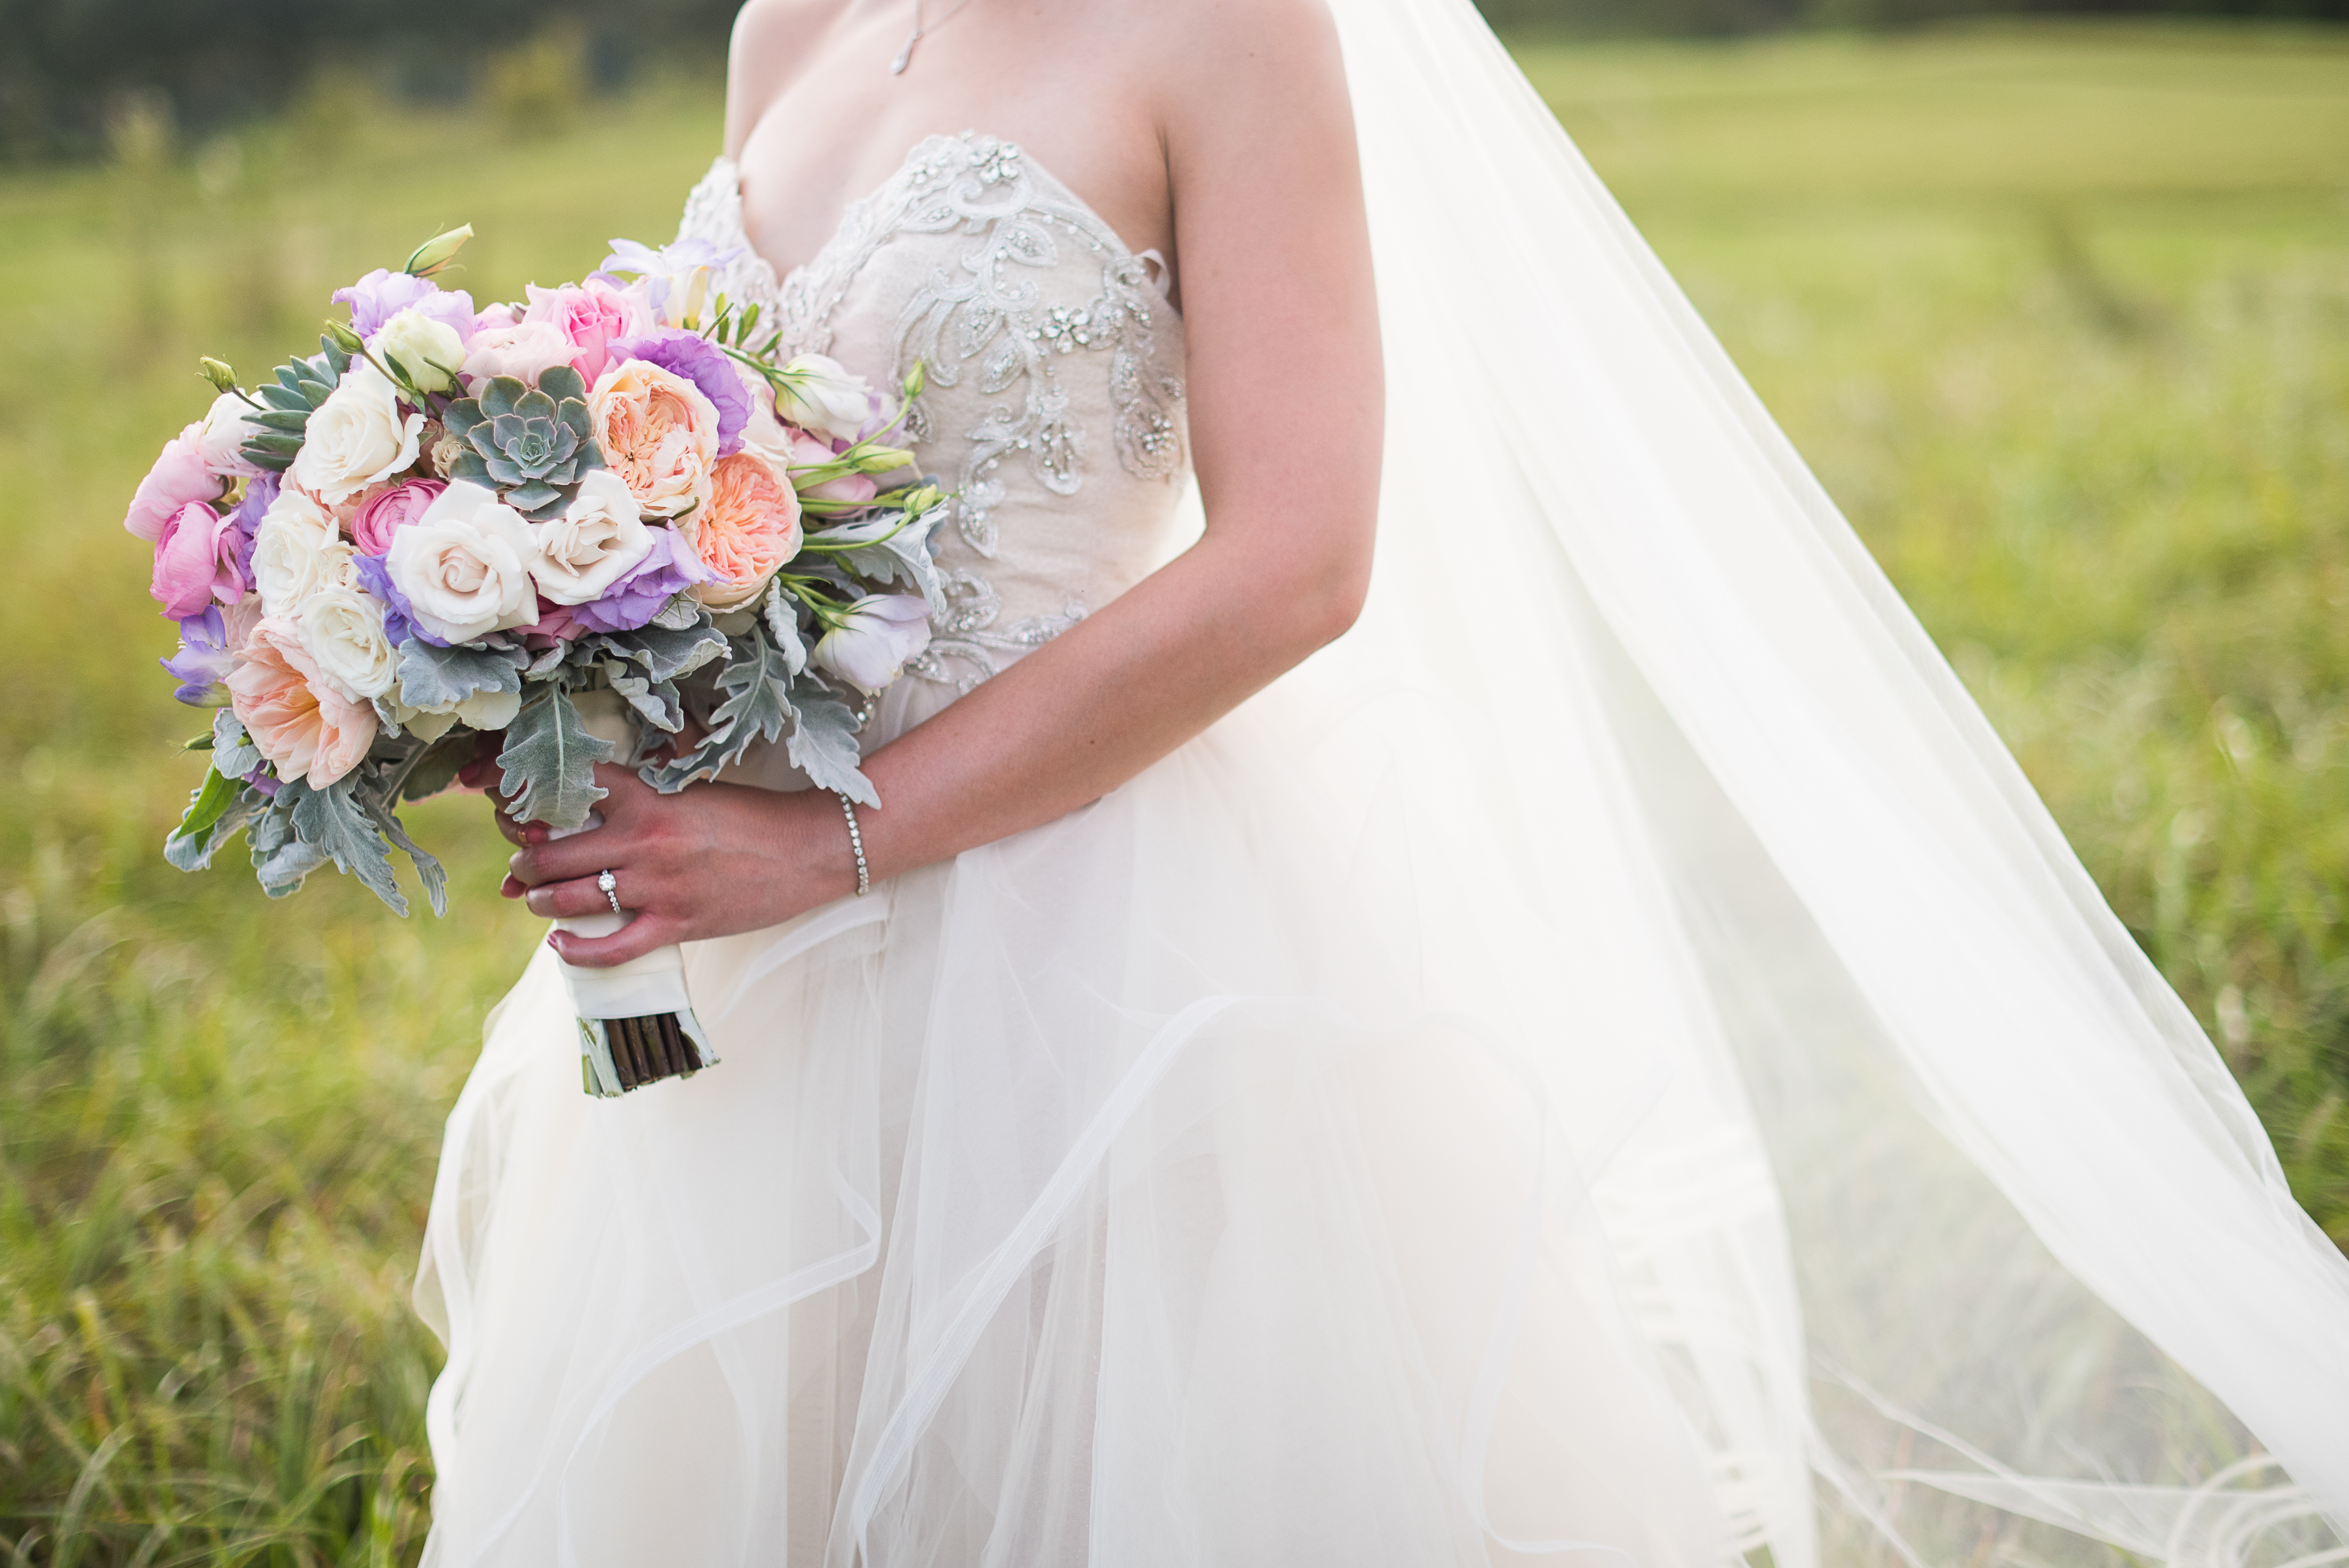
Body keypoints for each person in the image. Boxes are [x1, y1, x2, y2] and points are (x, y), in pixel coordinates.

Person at [416, 0, 2349, 1561]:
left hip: (1094, 939)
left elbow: (1301, 560)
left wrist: (835, 844)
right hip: (741, 950)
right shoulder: (790, 27)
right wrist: (555, 667)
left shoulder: (1238, 28)